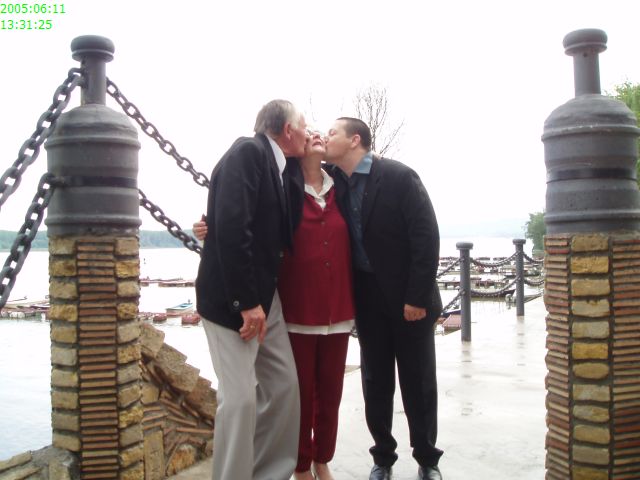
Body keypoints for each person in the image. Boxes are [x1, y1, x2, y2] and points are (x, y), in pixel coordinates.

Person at [194, 132, 355, 480]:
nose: (315, 135)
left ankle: (316, 461)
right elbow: (244, 213)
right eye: (308, 131)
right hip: (293, 307)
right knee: (288, 392)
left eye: (322, 133)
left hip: (335, 307)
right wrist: (211, 225)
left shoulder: (341, 183)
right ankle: (298, 466)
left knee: (320, 393)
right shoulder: (282, 180)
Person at [323, 117, 444, 480]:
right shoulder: (332, 180)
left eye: (332, 132)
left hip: (410, 300)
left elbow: (426, 237)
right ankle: (383, 458)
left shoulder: (399, 177)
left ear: (354, 140)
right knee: (375, 382)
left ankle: (427, 460)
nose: (326, 137)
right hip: (367, 299)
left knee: (418, 382)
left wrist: (417, 297)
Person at [195, 99, 308, 480]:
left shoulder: (282, 167)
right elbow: (231, 227)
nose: (309, 133)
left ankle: (268, 474)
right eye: (304, 127)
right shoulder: (247, 152)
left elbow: (288, 217)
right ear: (288, 130)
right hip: (231, 300)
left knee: (283, 386)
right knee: (240, 400)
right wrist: (246, 303)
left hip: (265, 297)